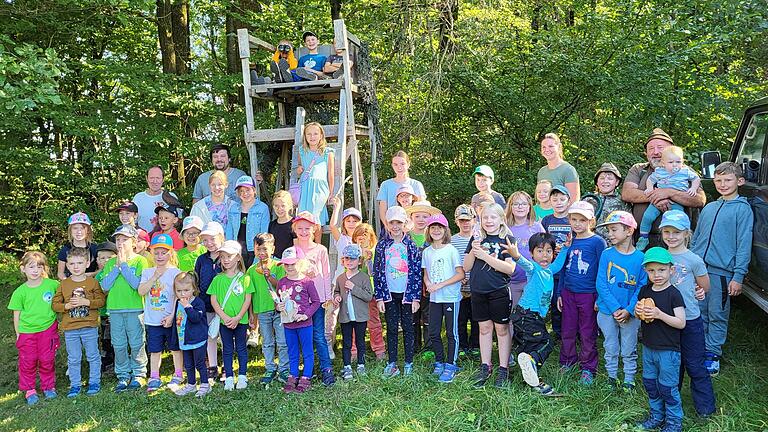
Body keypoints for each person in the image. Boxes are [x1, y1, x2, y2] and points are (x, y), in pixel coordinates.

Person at [690, 161, 753, 376]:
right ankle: (699, 348)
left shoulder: (743, 210)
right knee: (699, 310)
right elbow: (697, 236)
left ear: (740, 181)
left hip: (722, 273)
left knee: (717, 313)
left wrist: (738, 276)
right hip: (699, 270)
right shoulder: (710, 207)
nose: (723, 184)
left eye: (728, 180)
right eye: (718, 180)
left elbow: (744, 243)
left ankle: (712, 354)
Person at [660, 210, 716, 417]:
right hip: (666, 320)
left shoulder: (693, 260)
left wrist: (700, 291)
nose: (671, 236)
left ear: (687, 234)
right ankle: (670, 406)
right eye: (667, 231)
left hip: (690, 319)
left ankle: (705, 409)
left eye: (676, 232)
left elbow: (705, 286)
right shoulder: (660, 256)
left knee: (694, 364)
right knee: (671, 366)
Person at [507, 233, 569, 396]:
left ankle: (532, 378)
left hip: (524, 316)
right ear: (532, 253)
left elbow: (559, 264)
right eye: (540, 251)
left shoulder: (549, 270)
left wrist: (566, 247)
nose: (545, 255)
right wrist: (516, 256)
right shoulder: (534, 269)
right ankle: (532, 362)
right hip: (528, 316)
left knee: (529, 347)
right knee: (546, 342)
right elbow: (525, 264)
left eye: (549, 251)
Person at [621, 128, 706, 248]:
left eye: (660, 148)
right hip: (641, 239)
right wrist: (657, 197)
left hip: (676, 241)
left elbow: (699, 200)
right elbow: (627, 193)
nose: (655, 152)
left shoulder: (684, 171)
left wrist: (669, 193)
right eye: (651, 149)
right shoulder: (639, 169)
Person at [463, 203, 517, 388]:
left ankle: (504, 368)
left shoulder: (507, 238)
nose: (489, 221)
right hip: (478, 290)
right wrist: (473, 249)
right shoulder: (476, 238)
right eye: (485, 217)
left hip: (499, 291)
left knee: (501, 329)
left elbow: (510, 268)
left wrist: (485, 257)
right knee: (484, 329)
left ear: (501, 219)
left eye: (493, 217)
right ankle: (485, 365)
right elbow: (467, 267)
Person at [634, 247, 687, 432]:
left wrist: (659, 314)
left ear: (671, 270)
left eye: (662, 270)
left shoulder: (674, 294)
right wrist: (638, 311)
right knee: (650, 383)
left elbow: (681, 322)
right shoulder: (645, 290)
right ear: (646, 271)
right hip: (649, 347)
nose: (657, 274)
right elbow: (638, 311)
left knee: (667, 387)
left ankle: (674, 422)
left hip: (668, 350)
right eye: (651, 270)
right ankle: (657, 416)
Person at [556, 201, 606, 385]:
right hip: (569, 293)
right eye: (574, 219)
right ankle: (568, 360)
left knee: (587, 331)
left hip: (588, 294)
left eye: (582, 220)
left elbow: (602, 271)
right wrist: (560, 292)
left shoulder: (597, 242)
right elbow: (563, 267)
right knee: (567, 329)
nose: (577, 224)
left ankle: (588, 367)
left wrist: (600, 296)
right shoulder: (569, 241)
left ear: (590, 221)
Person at [595, 211, 646, 390]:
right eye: (608, 230)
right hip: (608, 311)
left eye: (614, 230)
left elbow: (642, 286)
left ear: (629, 231)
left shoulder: (641, 258)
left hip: (630, 313)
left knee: (629, 346)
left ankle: (629, 378)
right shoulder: (607, 255)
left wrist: (629, 309)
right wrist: (616, 308)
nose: (610, 234)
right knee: (610, 344)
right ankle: (611, 376)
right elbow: (601, 283)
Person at [374, 206, 423, 377]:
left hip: (407, 294)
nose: (395, 226)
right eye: (392, 223)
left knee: (409, 328)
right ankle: (392, 362)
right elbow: (378, 271)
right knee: (392, 327)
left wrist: (416, 297)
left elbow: (417, 272)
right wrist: (379, 297)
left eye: (399, 222)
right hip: (389, 295)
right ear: (387, 224)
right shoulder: (382, 246)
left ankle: (408, 362)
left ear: (405, 224)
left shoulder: (411, 245)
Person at [100, 224, 149, 392]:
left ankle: (139, 374)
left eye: (124, 239)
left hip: (135, 308)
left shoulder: (140, 261)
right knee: (118, 344)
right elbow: (105, 286)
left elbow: (137, 285)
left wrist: (125, 266)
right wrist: (117, 267)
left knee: (136, 343)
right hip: (114, 309)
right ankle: (122, 375)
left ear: (134, 242)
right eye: (118, 239)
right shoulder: (111, 262)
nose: (120, 243)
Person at [52, 247, 106, 398]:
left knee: (93, 356)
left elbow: (101, 301)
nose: (76, 267)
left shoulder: (93, 283)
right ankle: (75, 384)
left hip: (89, 326)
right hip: (70, 328)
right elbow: (55, 305)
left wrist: (86, 301)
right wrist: (66, 306)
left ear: (87, 263)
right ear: (67, 266)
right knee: (74, 358)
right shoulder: (63, 284)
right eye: (72, 263)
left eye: (80, 263)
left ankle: (94, 382)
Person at [9, 251, 61, 405]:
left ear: (43, 269)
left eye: (39, 267)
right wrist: (18, 334)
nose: (35, 270)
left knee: (47, 359)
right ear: (23, 269)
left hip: (48, 329)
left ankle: (48, 386)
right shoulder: (20, 292)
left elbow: (64, 292)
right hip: (27, 332)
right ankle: (29, 389)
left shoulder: (52, 284)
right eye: (31, 267)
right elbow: (16, 315)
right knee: (28, 361)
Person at [292, 211, 336, 386]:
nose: (304, 232)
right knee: (303, 336)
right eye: (300, 228)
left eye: (307, 228)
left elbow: (326, 274)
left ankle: (327, 369)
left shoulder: (320, 250)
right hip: (298, 300)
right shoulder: (292, 250)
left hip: (316, 300)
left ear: (314, 229)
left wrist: (327, 296)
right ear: (295, 229)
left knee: (318, 335)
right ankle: (305, 370)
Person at [422, 214, 465, 383]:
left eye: (440, 227)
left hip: (450, 297)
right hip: (434, 298)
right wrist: (428, 284)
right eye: (433, 227)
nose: (436, 230)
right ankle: (439, 361)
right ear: (429, 230)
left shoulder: (451, 250)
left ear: (445, 230)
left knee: (451, 332)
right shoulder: (427, 251)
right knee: (433, 331)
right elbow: (425, 274)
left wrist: (440, 285)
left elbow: (460, 274)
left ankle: (450, 364)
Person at [138, 234, 183, 392]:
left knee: (175, 348)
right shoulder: (147, 272)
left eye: (163, 252)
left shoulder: (176, 272)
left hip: (170, 318)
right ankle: (155, 376)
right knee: (154, 349)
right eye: (156, 252)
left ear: (171, 253)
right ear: (151, 253)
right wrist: (154, 277)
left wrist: (171, 316)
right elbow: (141, 291)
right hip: (153, 319)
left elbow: (180, 297)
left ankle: (178, 374)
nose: (159, 256)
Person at [636, 146, 701, 251]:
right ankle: (643, 237)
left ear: (682, 162)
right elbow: (650, 180)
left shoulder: (685, 171)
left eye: (678, 162)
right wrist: (650, 188)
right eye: (671, 162)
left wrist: (693, 188)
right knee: (647, 217)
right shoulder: (660, 172)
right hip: (657, 200)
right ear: (663, 163)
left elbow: (696, 178)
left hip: (677, 202)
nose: (675, 165)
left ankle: (686, 241)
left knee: (680, 220)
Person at [209, 240, 254, 391]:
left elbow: (247, 299)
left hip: (241, 321)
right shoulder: (218, 279)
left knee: (241, 347)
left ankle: (242, 375)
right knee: (227, 349)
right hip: (224, 322)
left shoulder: (245, 278)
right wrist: (224, 317)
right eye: (223, 257)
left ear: (238, 257)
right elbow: (213, 299)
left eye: (229, 256)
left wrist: (238, 317)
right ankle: (229, 376)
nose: (226, 260)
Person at [246, 233, 289, 385]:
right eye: (258, 249)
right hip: (262, 311)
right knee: (267, 341)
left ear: (273, 249)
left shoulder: (278, 266)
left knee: (282, 341)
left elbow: (283, 286)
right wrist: (252, 314)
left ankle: (284, 368)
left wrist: (270, 277)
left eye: (265, 249)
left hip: (278, 309)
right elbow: (249, 293)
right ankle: (270, 367)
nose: (262, 253)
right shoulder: (251, 270)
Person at [276, 247, 320, 393]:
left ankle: (306, 376)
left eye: (292, 264)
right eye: (286, 264)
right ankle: (293, 375)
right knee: (292, 350)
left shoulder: (307, 282)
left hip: (305, 324)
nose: (289, 267)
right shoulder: (281, 282)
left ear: (300, 263)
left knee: (307, 350)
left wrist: (305, 315)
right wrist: (279, 306)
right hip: (288, 325)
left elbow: (316, 302)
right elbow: (278, 302)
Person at [328, 198, 363, 359]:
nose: (351, 223)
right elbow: (332, 226)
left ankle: (355, 348)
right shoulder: (341, 239)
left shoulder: (362, 241)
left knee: (354, 315)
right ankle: (329, 345)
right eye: (348, 220)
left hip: (355, 284)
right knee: (333, 313)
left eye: (355, 221)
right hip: (339, 282)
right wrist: (337, 206)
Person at [334, 244, 374, 380]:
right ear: (343, 261)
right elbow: (337, 291)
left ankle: (361, 364)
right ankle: (347, 366)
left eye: (353, 259)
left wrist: (354, 288)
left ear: (359, 261)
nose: (349, 262)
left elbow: (369, 296)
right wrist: (337, 297)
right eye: (346, 259)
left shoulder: (363, 277)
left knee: (360, 341)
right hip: (345, 316)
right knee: (346, 342)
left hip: (360, 317)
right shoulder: (340, 278)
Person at [170, 272, 211, 397]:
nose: (182, 294)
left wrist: (188, 306)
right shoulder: (178, 302)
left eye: (186, 290)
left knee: (199, 363)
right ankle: (191, 384)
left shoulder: (198, 303)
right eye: (179, 291)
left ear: (194, 288)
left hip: (198, 339)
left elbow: (196, 318)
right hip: (184, 339)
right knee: (188, 364)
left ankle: (205, 384)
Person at [194, 221, 225, 382]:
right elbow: (197, 280)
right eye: (205, 240)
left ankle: (227, 366)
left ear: (221, 237)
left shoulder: (227, 257)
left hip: (225, 304)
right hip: (206, 303)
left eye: (212, 239)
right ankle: (212, 366)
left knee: (226, 336)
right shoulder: (201, 259)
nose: (209, 243)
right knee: (210, 335)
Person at [540, 185, 571, 340]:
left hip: (569, 266)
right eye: (555, 199)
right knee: (553, 301)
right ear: (550, 202)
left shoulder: (572, 219)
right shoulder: (547, 220)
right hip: (552, 267)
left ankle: (570, 330)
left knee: (566, 299)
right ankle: (557, 332)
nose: (558, 202)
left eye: (562, 199)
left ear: (568, 201)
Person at [351, 223, 386, 360]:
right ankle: (354, 351)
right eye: (358, 238)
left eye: (364, 237)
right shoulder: (352, 252)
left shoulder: (375, 251)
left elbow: (374, 273)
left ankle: (379, 349)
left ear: (371, 238)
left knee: (374, 321)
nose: (361, 240)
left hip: (370, 292)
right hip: (355, 291)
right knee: (354, 321)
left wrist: (369, 260)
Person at [505, 191, 545, 308]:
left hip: (532, 280)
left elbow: (545, 254)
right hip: (511, 281)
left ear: (529, 207)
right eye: (516, 204)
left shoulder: (537, 227)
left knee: (532, 315)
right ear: (511, 207)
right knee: (513, 315)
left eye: (523, 204)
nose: (520, 207)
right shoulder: (505, 227)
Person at [451, 204, 480, 358]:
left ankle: (475, 344)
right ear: (456, 221)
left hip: (476, 286)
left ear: (474, 220)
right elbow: (450, 263)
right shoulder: (451, 240)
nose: (465, 223)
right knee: (460, 319)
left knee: (476, 318)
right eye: (461, 220)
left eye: (468, 220)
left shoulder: (479, 239)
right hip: (459, 287)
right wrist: (458, 278)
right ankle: (462, 345)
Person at [295, 122, 335, 228]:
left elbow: (330, 174)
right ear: (305, 136)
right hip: (305, 188)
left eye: (315, 134)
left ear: (321, 135)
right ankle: (304, 243)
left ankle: (317, 244)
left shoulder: (327, 152)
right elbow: (299, 167)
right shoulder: (302, 151)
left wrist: (331, 193)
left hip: (319, 189)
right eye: (309, 134)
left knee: (316, 219)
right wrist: (299, 168)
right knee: (303, 218)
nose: (312, 137)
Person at [226, 175, 270, 268]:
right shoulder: (233, 208)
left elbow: (264, 232)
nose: (245, 193)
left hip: (254, 249)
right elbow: (229, 230)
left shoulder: (262, 208)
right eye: (241, 191)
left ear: (254, 190)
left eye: (248, 190)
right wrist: (229, 248)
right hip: (237, 249)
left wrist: (260, 250)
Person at [376, 151, 427, 227]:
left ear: (408, 164)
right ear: (392, 166)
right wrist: (388, 228)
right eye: (395, 164)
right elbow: (383, 211)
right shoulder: (385, 185)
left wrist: (413, 227)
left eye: (402, 164)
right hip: (392, 227)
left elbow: (422, 209)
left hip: (414, 228)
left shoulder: (417, 184)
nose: (399, 167)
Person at [133, 166, 181, 232]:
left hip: (166, 240)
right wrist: (143, 235)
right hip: (143, 240)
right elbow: (132, 222)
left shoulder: (171, 197)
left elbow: (178, 222)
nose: (155, 181)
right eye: (151, 178)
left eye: (158, 178)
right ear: (146, 178)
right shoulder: (138, 198)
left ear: (163, 179)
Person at [591, 163, 631, 240]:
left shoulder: (623, 202)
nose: (605, 181)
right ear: (597, 182)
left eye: (610, 179)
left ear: (616, 182)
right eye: (602, 178)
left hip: (614, 244)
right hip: (590, 243)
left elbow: (628, 226)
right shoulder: (589, 200)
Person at [537, 133, 580, 202]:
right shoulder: (541, 172)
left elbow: (573, 201)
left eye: (550, 146)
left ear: (559, 147)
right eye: (543, 147)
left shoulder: (568, 170)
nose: (547, 150)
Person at [95, 241, 117, 372]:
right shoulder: (99, 276)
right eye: (102, 258)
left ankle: (119, 361)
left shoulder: (118, 271)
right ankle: (107, 362)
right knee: (106, 339)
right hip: (105, 313)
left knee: (118, 338)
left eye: (109, 257)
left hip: (117, 310)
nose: (106, 260)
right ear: (97, 261)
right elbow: (100, 292)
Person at [57, 212, 99, 280]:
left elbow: (102, 270)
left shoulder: (95, 249)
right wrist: (70, 282)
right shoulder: (65, 250)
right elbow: (60, 273)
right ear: (70, 230)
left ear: (88, 230)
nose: (79, 231)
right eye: (75, 228)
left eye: (82, 228)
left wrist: (91, 274)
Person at [268, 190, 296, 258]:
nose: (279, 209)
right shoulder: (272, 225)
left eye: (283, 206)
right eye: (276, 206)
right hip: (275, 261)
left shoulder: (295, 224)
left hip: (290, 261)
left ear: (289, 206)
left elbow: (297, 247)